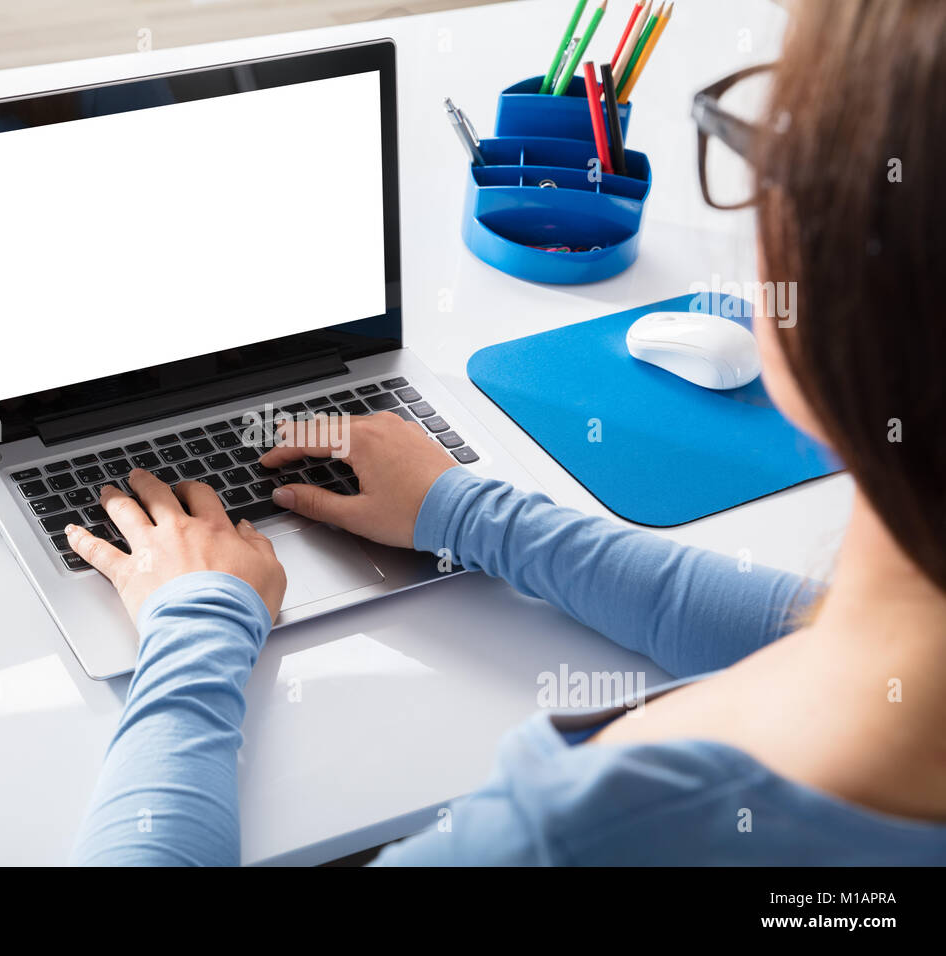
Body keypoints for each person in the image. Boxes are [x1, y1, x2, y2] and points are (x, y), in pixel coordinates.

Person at [69, 0, 946, 865]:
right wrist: (464, 511)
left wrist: (197, 621)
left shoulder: (552, 840)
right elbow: (801, 634)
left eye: (769, 148)